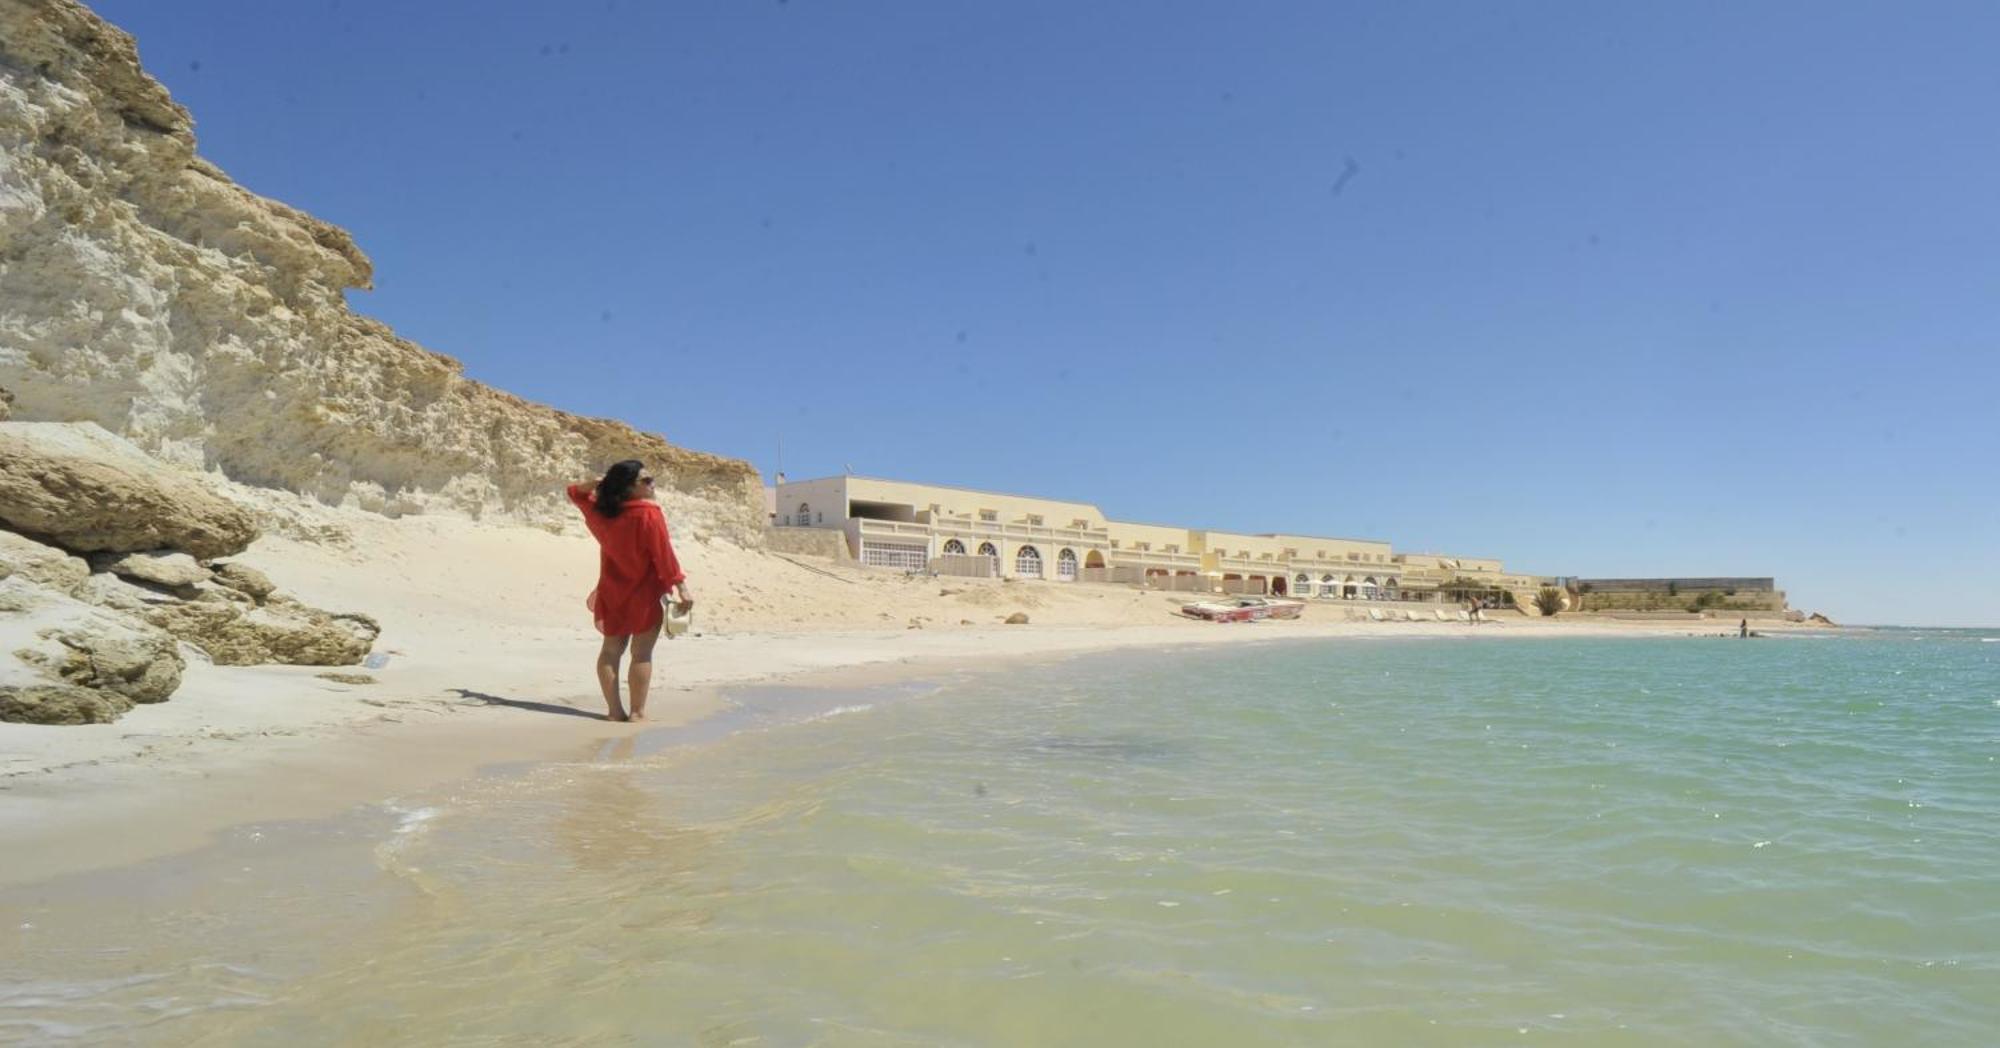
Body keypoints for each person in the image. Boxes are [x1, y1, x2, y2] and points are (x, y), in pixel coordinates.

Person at [567, 461, 693, 721]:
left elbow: (574, 493)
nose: (653, 484)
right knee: (642, 653)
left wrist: (596, 482)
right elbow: (664, 555)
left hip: (612, 592)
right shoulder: (649, 513)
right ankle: (637, 713)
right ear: (629, 488)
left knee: (610, 651)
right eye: (646, 481)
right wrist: (681, 587)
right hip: (644, 595)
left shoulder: (602, 513)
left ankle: (614, 711)